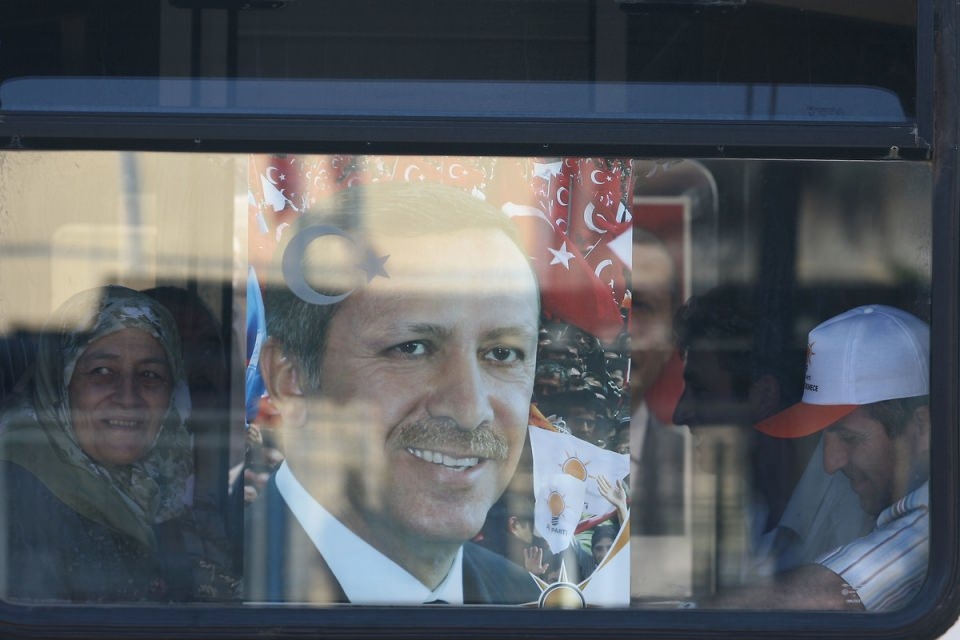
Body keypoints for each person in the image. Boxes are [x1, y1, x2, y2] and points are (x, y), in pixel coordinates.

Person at [246, 182, 542, 605]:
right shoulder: (193, 597)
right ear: (289, 379)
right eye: (412, 348)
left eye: (502, 354)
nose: (469, 409)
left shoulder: (528, 601)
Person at [0, 285, 237, 602]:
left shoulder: (153, 484)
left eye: (150, 375)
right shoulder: (19, 491)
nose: (128, 397)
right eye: (102, 371)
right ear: (61, 381)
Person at [706, 304, 930, 611]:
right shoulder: (871, 488)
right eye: (821, 438)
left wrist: (684, 617)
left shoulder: (939, 519)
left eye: (850, 439)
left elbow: (834, 594)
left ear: (921, 426)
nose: (830, 463)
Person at [673, 286, 872, 579]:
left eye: (702, 391)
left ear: (764, 396)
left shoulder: (853, 511)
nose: (680, 414)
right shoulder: (756, 503)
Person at [629, 227, 688, 536]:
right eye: (602, 300)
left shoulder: (696, 472)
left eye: (641, 306)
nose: (622, 327)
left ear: (671, 338)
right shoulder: (520, 463)